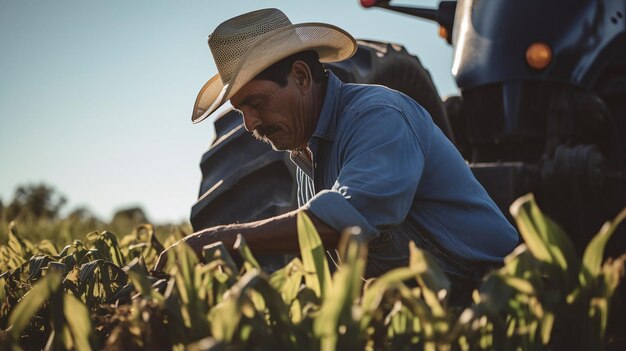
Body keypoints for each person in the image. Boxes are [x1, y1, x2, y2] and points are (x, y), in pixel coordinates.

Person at [155, 8, 519, 304]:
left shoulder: (378, 114)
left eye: (256, 102)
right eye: (240, 111)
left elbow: (347, 220)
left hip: (502, 294)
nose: (249, 123)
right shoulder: (307, 158)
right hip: (432, 307)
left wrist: (218, 239)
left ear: (300, 77)